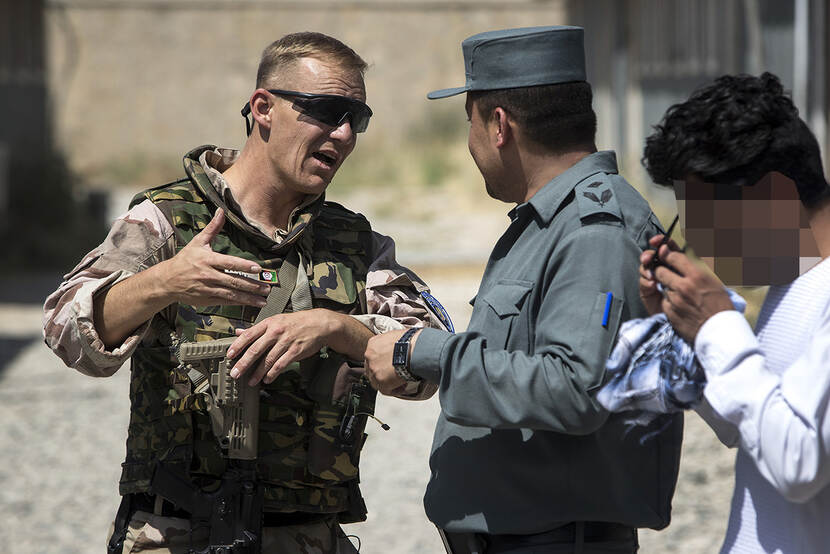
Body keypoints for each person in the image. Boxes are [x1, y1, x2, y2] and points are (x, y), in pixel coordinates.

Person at [43, 32, 448, 554]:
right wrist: (165, 282)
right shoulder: (167, 221)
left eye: (357, 118)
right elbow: (65, 332)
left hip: (310, 536)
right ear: (263, 109)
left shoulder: (354, 243)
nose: (345, 133)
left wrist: (339, 328)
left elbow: (432, 362)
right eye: (327, 112)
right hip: (180, 532)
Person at [364, 26, 683, 554]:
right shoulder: (552, 220)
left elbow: (576, 389)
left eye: (469, 122)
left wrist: (423, 350)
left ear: (499, 125)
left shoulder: (594, 232)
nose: (469, 143)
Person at [636, 72, 830, 553]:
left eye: (703, 216)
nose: (694, 239)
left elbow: (799, 464)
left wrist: (719, 325)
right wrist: (684, 329)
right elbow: (747, 426)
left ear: (771, 196)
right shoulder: (792, 283)